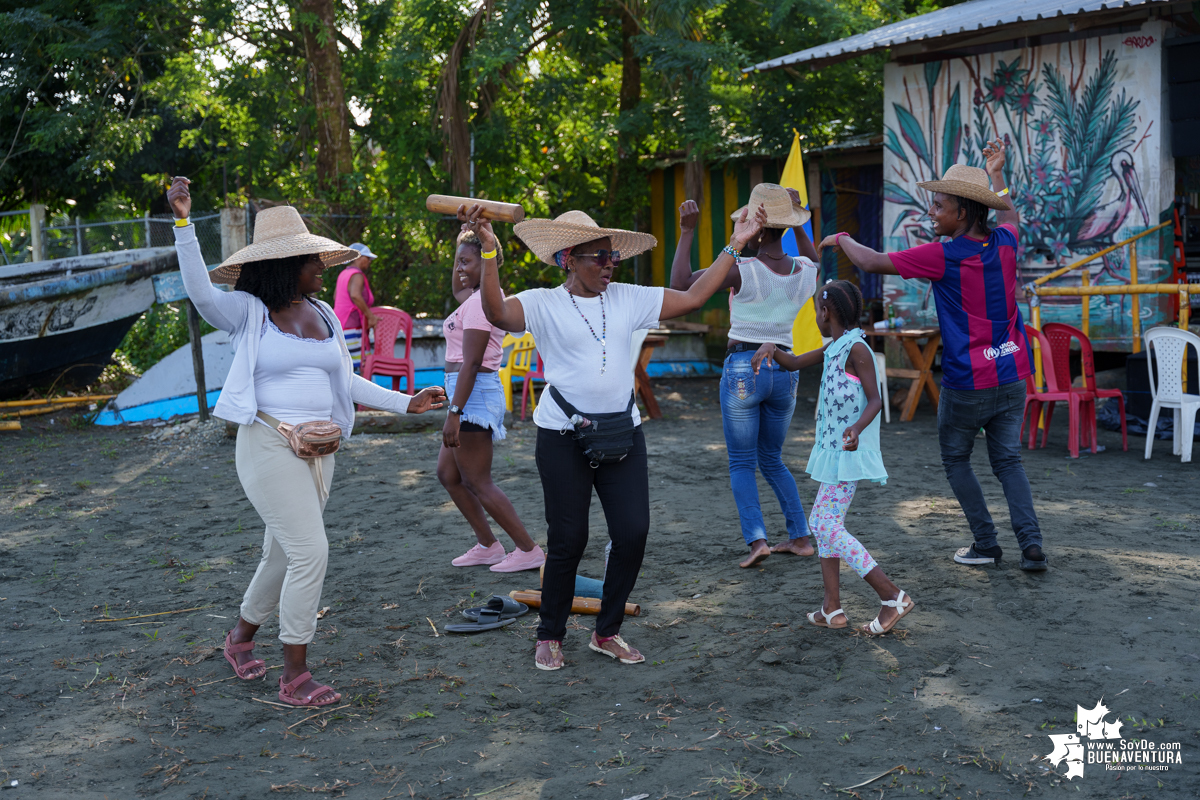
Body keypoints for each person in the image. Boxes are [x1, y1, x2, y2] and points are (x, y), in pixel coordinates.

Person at [166, 177, 446, 707]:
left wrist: (404, 402)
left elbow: (346, 378)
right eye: (313, 260)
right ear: (284, 264)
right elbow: (201, 292)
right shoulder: (247, 312)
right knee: (310, 550)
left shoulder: (321, 315)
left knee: (280, 554)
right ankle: (295, 675)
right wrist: (184, 222)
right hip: (268, 444)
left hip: (322, 450)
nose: (324, 266)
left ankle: (239, 640)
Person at [471, 202, 769, 671]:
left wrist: (739, 242)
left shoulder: (628, 297)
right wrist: (490, 253)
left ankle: (606, 631)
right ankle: (549, 633)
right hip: (562, 436)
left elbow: (694, 298)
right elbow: (495, 312)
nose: (610, 264)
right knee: (569, 540)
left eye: (612, 256)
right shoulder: (541, 303)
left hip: (622, 432)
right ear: (568, 258)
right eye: (599, 257)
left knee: (633, 533)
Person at [816, 139, 1047, 571]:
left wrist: (842, 236)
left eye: (939, 206)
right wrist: (996, 173)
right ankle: (1031, 547)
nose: (932, 212)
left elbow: (870, 263)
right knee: (1008, 462)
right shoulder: (1006, 242)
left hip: (968, 382)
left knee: (956, 458)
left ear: (963, 212)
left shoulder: (943, 255)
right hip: (1014, 371)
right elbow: (1010, 214)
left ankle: (986, 545)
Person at [753, 280, 916, 634]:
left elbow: (875, 399)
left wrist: (856, 428)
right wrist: (770, 347)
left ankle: (892, 596)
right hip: (833, 454)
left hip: (849, 453)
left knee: (824, 525)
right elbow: (793, 363)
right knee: (824, 524)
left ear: (825, 313)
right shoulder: (835, 347)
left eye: (815, 310)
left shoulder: (857, 349)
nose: (814, 316)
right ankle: (832, 608)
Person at [670, 185, 819, 569]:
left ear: (757, 229)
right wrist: (798, 217)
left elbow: (682, 285)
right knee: (772, 459)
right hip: (784, 372)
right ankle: (801, 537)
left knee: (741, 462)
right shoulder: (805, 272)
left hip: (743, 367)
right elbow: (813, 255)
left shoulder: (741, 270)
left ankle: (757, 540)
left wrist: (687, 232)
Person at [438, 228, 546, 572]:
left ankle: (528, 549)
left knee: (476, 479)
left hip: (473, 392)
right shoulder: (473, 297)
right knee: (448, 474)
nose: (459, 269)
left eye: (466, 262)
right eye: (457, 262)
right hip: (465, 390)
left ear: (485, 264)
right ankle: (487, 545)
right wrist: (462, 247)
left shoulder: (486, 303)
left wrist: (455, 411)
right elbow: (458, 286)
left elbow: (472, 362)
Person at [333, 242, 379, 372]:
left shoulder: (344, 274)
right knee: (357, 368)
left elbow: (336, 297)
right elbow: (355, 295)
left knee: (345, 366)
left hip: (340, 324)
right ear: (359, 257)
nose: (369, 262)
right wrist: (370, 316)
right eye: (367, 258)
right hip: (351, 327)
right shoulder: (357, 275)